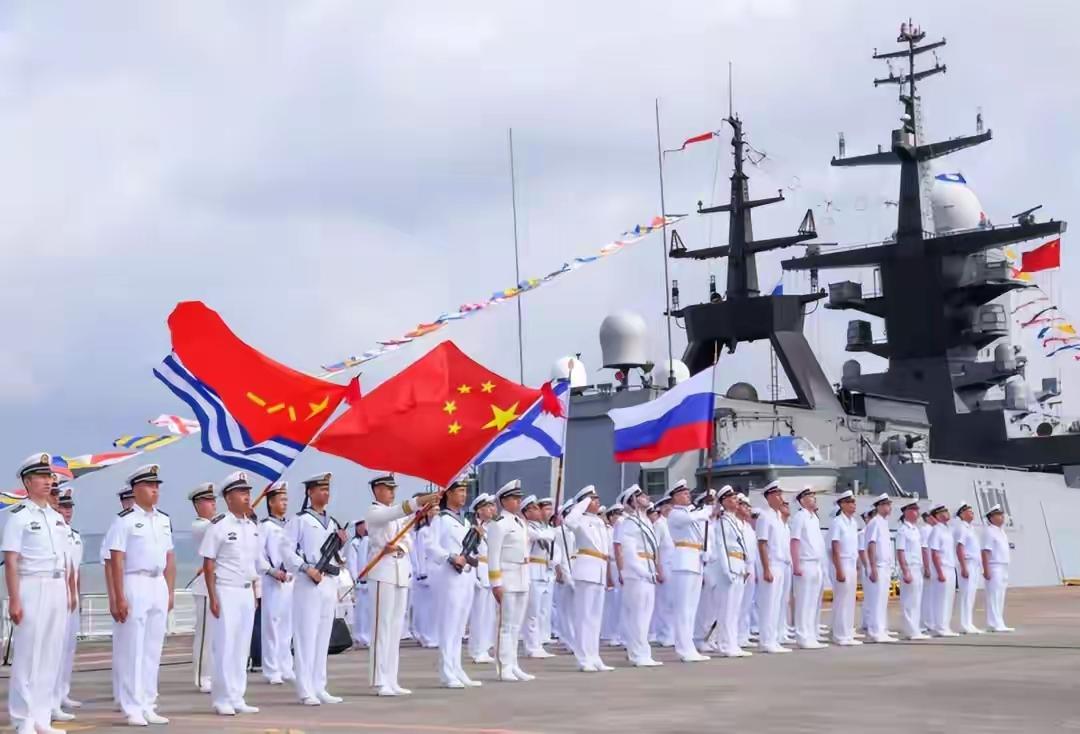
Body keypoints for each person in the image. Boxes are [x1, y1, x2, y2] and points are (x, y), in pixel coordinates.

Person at [3, 454, 73, 734]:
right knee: (28, 656)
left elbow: (65, 559)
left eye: (49, 476)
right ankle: (23, 719)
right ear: (28, 481)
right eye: (41, 477)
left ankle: (42, 718)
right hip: (32, 585)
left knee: (50, 655)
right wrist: (14, 599)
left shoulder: (56, 518)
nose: (48, 481)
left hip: (56, 585)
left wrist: (67, 591)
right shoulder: (19, 516)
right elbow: (11, 561)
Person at [109, 464, 175, 726]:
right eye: (149, 485)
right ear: (136, 490)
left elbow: (169, 558)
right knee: (132, 648)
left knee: (152, 649)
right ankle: (132, 706)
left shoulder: (163, 520)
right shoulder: (124, 521)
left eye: (157, 485)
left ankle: (148, 703)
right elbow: (116, 560)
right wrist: (118, 596)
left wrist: (170, 592)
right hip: (135, 580)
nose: (155, 490)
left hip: (157, 582)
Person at [364, 474, 440, 696]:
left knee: (396, 627)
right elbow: (396, 513)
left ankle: (391, 678)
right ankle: (379, 680)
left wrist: (399, 548)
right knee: (382, 627)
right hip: (382, 572)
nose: (392, 492)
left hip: (399, 570)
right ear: (377, 490)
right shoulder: (374, 511)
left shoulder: (396, 515)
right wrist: (419, 501)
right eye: (388, 488)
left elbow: (407, 540)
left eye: (393, 489)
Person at [199, 471, 266, 716]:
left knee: (241, 647)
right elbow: (208, 564)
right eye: (241, 492)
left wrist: (256, 594)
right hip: (226, 590)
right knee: (225, 647)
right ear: (228, 497)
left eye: (248, 492)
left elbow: (253, 565)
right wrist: (213, 597)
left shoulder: (252, 527)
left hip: (246, 592)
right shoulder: (219, 525)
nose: (247, 496)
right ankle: (222, 698)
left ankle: (237, 696)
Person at [283, 472, 347, 706]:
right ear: (310, 492)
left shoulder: (332, 522)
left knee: (322, 637)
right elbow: (286, 550)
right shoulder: (299, 520)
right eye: (321, 489)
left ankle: (320, 686)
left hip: (328, 581)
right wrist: (305, 568)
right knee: (306, 636)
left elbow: (339, 558)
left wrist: (341, 543)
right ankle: (305, 688)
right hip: (309, 581)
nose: (325, 493)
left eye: (327, 489)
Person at [428, 478, 482, 689]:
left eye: (465, 491)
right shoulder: (440, 519)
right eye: (459, 491)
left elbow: (473, 549)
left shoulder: (466, 521)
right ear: (448, 494)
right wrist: (450, 556)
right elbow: (430, 546)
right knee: (449, 624)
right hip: (449, 576)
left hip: (466, 575)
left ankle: (457, 668)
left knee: (460, 626)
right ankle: (446, 670)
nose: (463, 495)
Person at [486, 480, 534, 682]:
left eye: (519, 498)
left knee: (516, 625)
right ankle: (503, 666)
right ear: (504, 501)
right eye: (514, 498)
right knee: (505, 625)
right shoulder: (499, 523)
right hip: (507, 577)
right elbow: (493, 555)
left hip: (522, 576)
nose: (518, 501)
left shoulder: (520, 522)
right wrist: (496, 583)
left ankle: (513, 664)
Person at [564, 485, 614, 673]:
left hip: (599, 569)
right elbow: (568, 521)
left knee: (595, 618)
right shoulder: (580, 520)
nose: (597, 502)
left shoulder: (599, 521)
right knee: (583, 616)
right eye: (592, 499)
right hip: (586, 569)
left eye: (596, 498)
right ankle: (583, 658)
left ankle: (594, 656)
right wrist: (583, 503)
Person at [613, 485, 662, 667]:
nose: (646, 497)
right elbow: (629, 553)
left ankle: (643, 652)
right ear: (633, 500)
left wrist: (652, 570)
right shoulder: (628, 523)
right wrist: (643, 572)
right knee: (637, 615)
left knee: (646, 615)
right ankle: (636, 654)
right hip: (636, 573)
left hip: (648, 570)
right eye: (641, 495)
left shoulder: (645, 521)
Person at [665, 479, 711, 662]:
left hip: (695, 560)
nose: (688, 495)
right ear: (675, 497)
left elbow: (700, 532)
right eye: (683, 493)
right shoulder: (675, 514)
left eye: (688, 493)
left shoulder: (692, 513)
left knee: (691, 608)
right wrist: (706, 511)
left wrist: (705, 551)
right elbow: (691, 519)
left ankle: (689, 646)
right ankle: (683, 648)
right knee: (683, 608)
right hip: (683, 561)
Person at [708, 486, 751, 658]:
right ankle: (725, 644)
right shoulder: (723, 522)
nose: (736, 501)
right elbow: (722, 547)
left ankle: (732, 643)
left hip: (738, 565)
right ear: (724, 502)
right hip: (730, 567)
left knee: (735, 609)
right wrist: (727, 570)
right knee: (727, 609)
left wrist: (745, 566)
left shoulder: (735, 521)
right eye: (732, 498)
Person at [102, 486, 134, 712]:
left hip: (148, 586)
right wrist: (114, 598)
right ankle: (122, 694)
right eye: (128, 500)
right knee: (125, 646)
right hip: (126, 586)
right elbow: (109, 563)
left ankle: (140, 694)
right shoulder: (119, 524)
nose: (131, 503)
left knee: (142, 648)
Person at [259, 481, 294, 685]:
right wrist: (272, 571)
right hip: (272, 580)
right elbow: (258, 555)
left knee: (287, 626)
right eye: (281, 499)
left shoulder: (289, 526)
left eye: (286, 499)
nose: (285, 503)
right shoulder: (265, 526)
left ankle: (285, 666)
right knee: (272, 624)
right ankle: (271, 669)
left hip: (289, 580)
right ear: (271, 502)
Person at [53, 490, 83, 721]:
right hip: (55, 595)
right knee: (55, 648)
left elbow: (76, 570)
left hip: (72, 597)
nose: (68, 511)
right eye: (64, 506)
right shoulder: (55, 532)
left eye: (70, 507)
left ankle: (63, 692)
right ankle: (52, 698)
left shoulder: (75, 536)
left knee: (68, 648)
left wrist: (77, 596)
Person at [789, 487, 828, 649]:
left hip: (816, 564)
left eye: (813, 495)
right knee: (804, 602)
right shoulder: (800, 517)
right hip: (804, 563)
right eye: (809, 495)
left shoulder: (814, 518)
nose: (813, 498)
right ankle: (802, 636)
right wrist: (796, 565)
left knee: (813, 602)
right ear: (802, 500)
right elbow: (795, 541)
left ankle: (811, 635)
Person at [756, 482, 792, 654]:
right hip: (772, 564)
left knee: (777, 604)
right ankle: (766, 641)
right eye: (777, 495)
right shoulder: (765, 517)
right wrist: (766, 568)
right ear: (769, 497)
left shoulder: (779, 517)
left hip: (782, 564)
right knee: (769, 604)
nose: (780, 498)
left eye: (780, 494)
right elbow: (762, 544)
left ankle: (774, 638)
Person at [188, 482, 217, 693]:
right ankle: (202, 676)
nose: (213, 504)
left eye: (214, 500)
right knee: (205, 635)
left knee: (217, 637)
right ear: (198, 504)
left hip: (220, 584)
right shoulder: (200, 526)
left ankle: (214, 674)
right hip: (205, 588)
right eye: (208, 501)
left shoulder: (217, 524)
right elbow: (215, 528)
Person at [521, 496, 556, 658]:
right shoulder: (526, 527)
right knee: (532, 612)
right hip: (533, 571)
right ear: (526, 512)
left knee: (543, 611)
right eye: (534, 508)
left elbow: (551, 538)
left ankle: (539, 643)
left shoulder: (543, 527)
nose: (538, 511)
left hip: (545, 571)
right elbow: (540, 536)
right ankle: (531, 646)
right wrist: (549, 532)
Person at [827, 491, 861, 646]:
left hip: (851, 563)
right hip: (842, 563)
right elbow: (835, 547)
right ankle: (839, 634)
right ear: (842, 504)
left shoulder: (853, 523)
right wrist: (839, 569)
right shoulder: (837, 522)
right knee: (841, 600)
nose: (853, 505)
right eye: (849, 502)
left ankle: (847, 632)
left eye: (853, 502)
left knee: (850, 600)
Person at [467, 493, 498, 664]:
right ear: (479, 510)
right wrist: (475, 574)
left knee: (489, 614)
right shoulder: (474, 528)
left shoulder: (492, 527)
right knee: (479, 614)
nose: (492, 509)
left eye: (492, 506)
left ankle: (485, 647)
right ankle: (477, 649)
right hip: (480, 570)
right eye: (488, 506)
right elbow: (470, 552)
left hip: (491, 571)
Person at [864, 494, 897, 643]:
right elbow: (871, 545)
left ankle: (881, 629)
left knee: (883, 600)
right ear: (879, 506)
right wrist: (872, 567)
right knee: (876, 601)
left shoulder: (884, 523)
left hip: (885, 566)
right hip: (878, 566)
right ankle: (875, 631)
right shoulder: (875, 523)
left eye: (889, 504)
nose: (889, 507)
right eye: (886, 504)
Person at [895, 500, 929, 640]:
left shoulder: (915, 530)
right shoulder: (903, 530)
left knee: (916, 601)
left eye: (917, 509)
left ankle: (915, 629)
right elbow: (900, 551)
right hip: (909, 568)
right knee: (909, 601)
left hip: (917, 568)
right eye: (914, 509)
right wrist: (905, 571)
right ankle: (910, 630)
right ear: (907, 512)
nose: (917, 512)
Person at [981, 504, 1014, 632]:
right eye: (998, 515)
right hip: (994, 566)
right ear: (991, 517)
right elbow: (985, 551)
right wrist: (986, 569)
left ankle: (999, 622)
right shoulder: (989, 531)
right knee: (993, 596)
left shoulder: (1001, 531)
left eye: (1002, 514)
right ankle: (994, 623)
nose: (1002, 517)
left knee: (1000, 596)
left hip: (1003, 566)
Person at [927, 505, 959, 637]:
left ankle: (945, 626)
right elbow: (934, 553)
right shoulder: (936, 530)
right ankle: (940, 627)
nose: (947, 513)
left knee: (949, 599)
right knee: (941, 600)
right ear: (938, 515)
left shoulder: (947, 530)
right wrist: (939, 572)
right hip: (942, 568)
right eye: (944, 511)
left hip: (950, 568)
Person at [551, 499, 577, 655]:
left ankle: (575, 640)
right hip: (566, 572)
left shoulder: (574, 531)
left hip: (577, 570)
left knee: (575, 611)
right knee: (566, 610)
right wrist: (565, 575)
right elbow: (560, 556)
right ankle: (569, 640)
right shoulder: (559, 532)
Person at [954, 503, 984, 634]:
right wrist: (963, 567)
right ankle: (963, 624)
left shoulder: (970, 528)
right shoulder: (962, 528)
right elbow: (959, 547)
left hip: (974, 564)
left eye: (972, 511)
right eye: (968, 511)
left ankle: (969, 622)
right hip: (967, 563)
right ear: (962, 514)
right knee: (966, 595)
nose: (972, 513)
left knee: (971, 595)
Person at [344, 520, 370, 650]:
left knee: (368, 610)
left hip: (369, 580)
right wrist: (356, 579)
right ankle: (360, 635)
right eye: (359, 526)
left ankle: (366, 635)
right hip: (361, 581)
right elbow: (352, 562)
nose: (362, 528)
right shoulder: (354, 543)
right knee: (361, 611)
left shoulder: (367, 540)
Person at [919, 512, 936, 634]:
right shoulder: (925, 530)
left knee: (933, 596)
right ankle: (925, 622)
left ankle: (931, 621)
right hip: (928, 565)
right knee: (927, 596)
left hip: (933, 566)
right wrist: (927, 567)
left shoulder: (934, 529)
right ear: (927, 518)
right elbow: (924, 549)